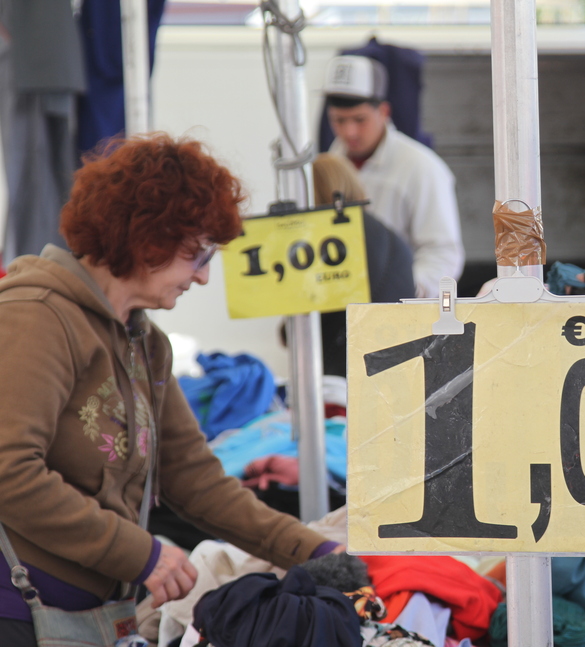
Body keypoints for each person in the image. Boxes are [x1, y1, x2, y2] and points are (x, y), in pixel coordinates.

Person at [0, 133, 342, 645]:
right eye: (198, 255)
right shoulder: (35, 317)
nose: (203, 278)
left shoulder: (146, 343)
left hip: (88, 619)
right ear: (147, 237)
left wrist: (314, 551)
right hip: (18, 615)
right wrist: (142, 554)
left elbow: (196, 480)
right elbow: (8, 471)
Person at [322, 54, 464, 299]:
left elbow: (442, 253)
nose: (349, 131)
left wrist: (404, 290)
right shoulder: (326, 168)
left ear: (384, 111)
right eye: (339, 120)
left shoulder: (421, 167)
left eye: (359, 120)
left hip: (402, 310)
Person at [311, 152, 415, 376]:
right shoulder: (382, 232)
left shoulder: (338, 241)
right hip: (395, 361)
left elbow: (325, 309)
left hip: (352, 371)